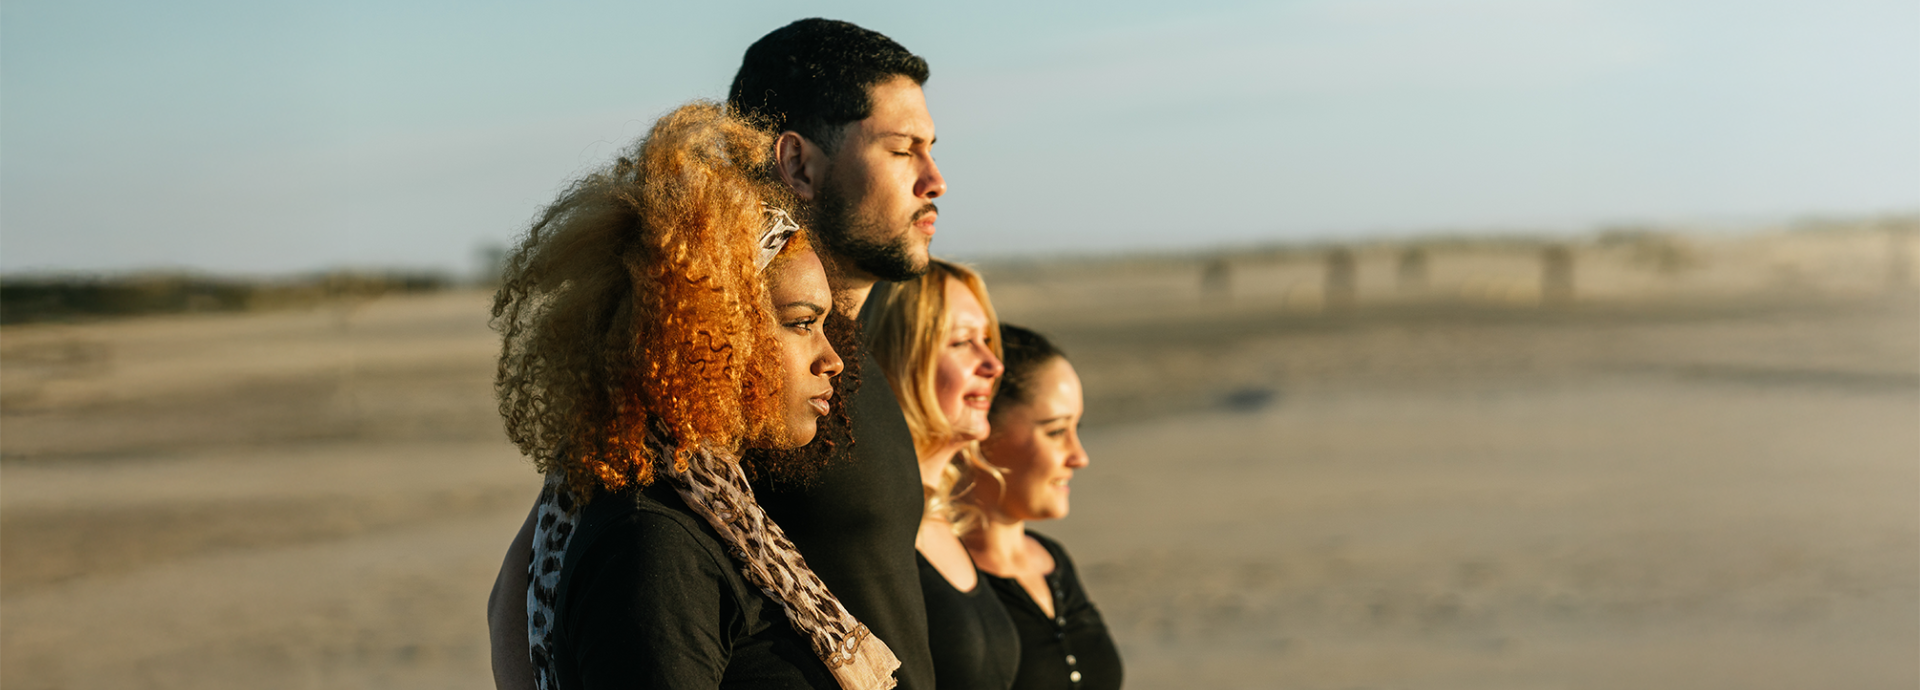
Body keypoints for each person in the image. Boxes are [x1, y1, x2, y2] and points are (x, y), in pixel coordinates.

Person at [491, 18, 948, 690]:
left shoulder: (840, 363)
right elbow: (529, 586)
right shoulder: (707, 400)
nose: (935, 178)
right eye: (905, 149)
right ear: (797, 163)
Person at [868, 259, 1021, 690]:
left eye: (987, 341)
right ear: (899, 356)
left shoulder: (942, 521)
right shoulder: (875, 530)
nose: (993, 364)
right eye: (962, 343)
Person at [966, 325, 1124, 690]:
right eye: (1055, 431)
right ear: (981, 429)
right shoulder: (937, 576)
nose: (1079, 456)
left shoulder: (1052, 558)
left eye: (1077, 428)